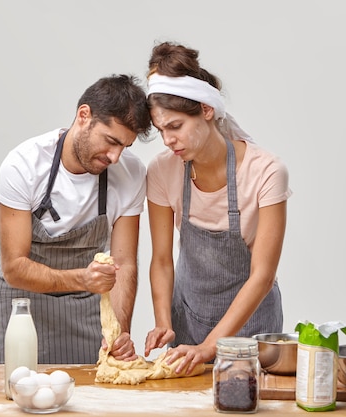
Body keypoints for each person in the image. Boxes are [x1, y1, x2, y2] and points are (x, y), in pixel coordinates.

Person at [143, 42, 292, 374]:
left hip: (252, 331)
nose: (168, 140)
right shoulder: (161, 171)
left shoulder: (266, 172)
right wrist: (163, 322)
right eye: (161, 130)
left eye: (175, 126)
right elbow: (163, 260)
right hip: (188, 325)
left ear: (206, 110)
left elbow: (263, 276)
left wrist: (210, 347)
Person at [0, 74, 152, 365]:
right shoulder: (24, 165)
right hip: (22, 306)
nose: (115, 157)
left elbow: (124, 263)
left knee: (89, 403)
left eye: (124, 147)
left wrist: (119, 333)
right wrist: (83, 278)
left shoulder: (130, 174)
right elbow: (14, 266)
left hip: (85, 314)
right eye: (111, 141)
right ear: (83, 115)